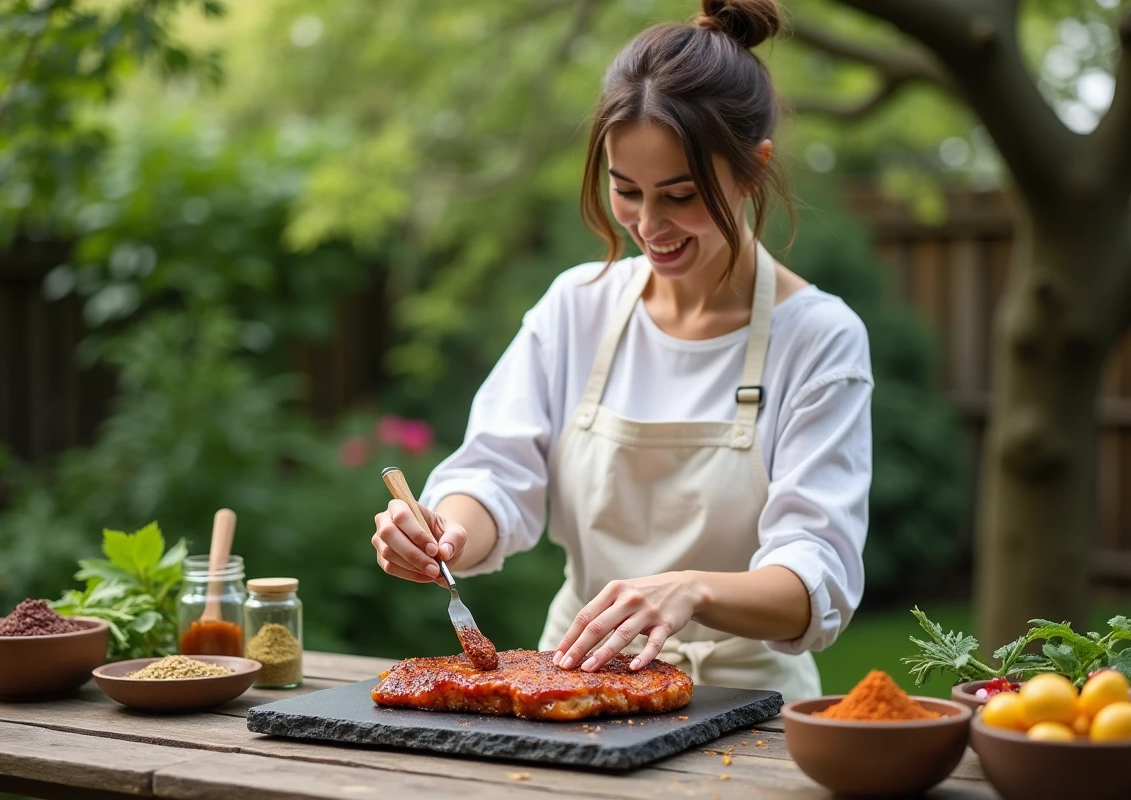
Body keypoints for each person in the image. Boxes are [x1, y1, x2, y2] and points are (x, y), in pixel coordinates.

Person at [371, 0, 871, 702]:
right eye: (626, 190)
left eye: (681, 194)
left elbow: (815, 576)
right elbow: (495, 474)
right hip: (567, 690)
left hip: (749, 709)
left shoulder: (819, 338)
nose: (648, 225)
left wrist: (689, 590)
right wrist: (446, 532)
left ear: (753, 171)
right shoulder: (577, 307)